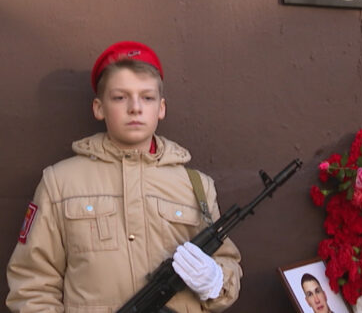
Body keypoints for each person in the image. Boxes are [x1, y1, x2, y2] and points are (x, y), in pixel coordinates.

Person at [6, 41, 242, 312]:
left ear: (161, 108)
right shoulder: (60, 183)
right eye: (120, 97)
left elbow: (229, 268)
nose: (135, 108)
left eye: (147, 97)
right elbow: (32, 284)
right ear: (99, 107)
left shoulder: (196, 186)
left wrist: (214, 281)